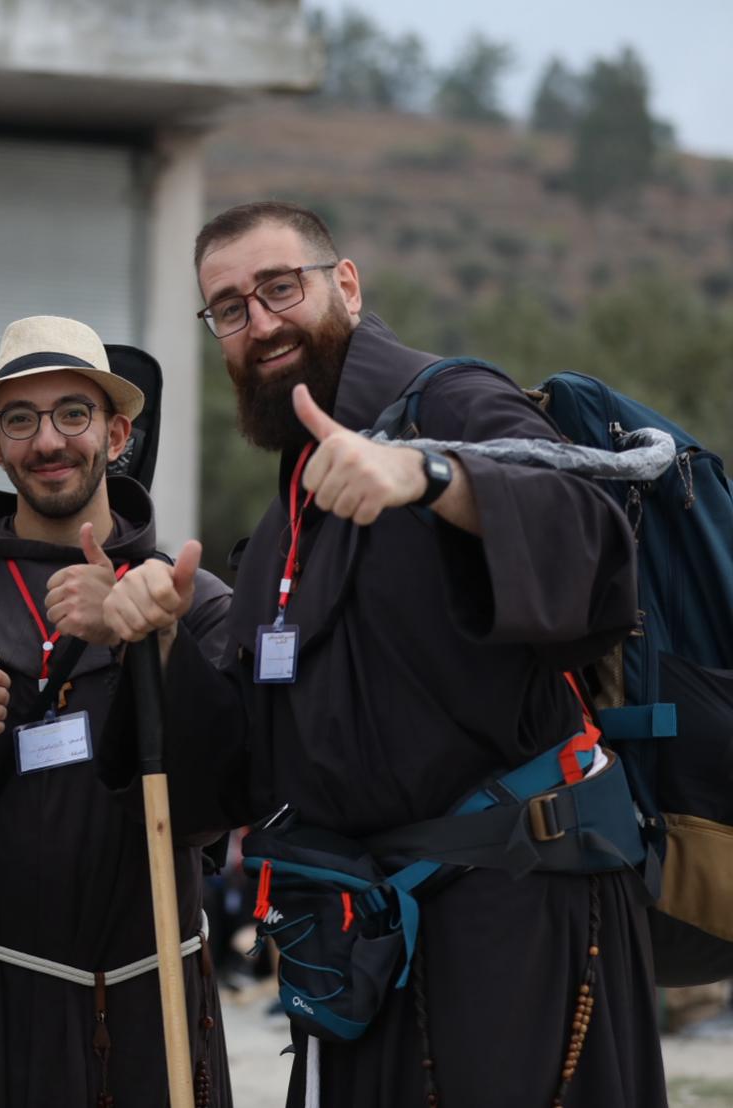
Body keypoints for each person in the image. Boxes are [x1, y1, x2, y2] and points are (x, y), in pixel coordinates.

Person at [102, 201, 667, 1107]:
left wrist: (434, 476)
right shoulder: (287, 511)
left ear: (348, 286)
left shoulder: (449, 400)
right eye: (231, 309)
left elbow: (593, 543)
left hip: (513, 921)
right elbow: (246, 777)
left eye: (280, 288)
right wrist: (160, 641)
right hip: (365, 945)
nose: (261, 321)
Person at [0, 316, 233, 1107]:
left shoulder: (187, 600)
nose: (49, 441)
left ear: (118, 430)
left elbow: (227, 800)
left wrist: (154, 642)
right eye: (21, 420)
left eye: (74, 413)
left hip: (151, 1012)